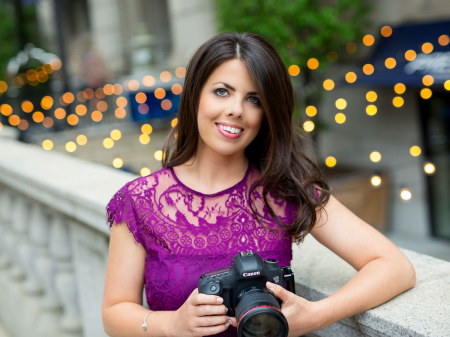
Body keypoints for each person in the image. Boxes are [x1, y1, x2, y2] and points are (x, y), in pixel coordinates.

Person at [101, 32, 416, 337]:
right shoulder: (140, 201)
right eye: (222, 91)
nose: (237, 109)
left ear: (265, 114)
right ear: (196, 94)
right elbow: (114, 313)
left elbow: (395, 268)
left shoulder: (283, 190)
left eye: (253, 99)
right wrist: (172, 325)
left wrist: (316, 316)